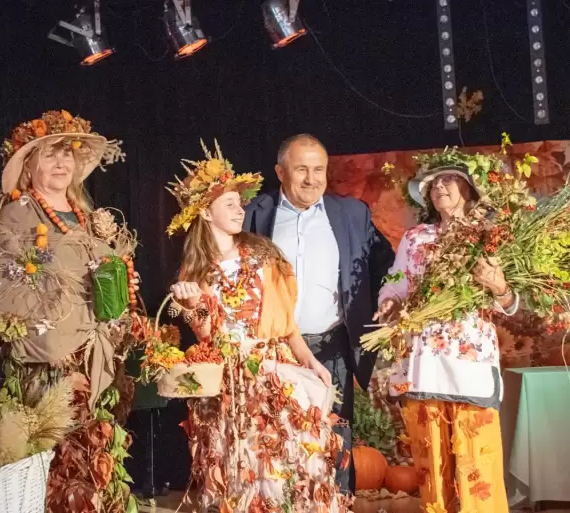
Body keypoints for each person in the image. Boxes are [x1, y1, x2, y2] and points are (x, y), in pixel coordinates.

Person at [0, 110, 140, 512]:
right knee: (57, 473)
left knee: (97, 468)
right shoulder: (18, 214)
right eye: (50, 155)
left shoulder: (88, 216)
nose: (61, 163)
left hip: (94, 362)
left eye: (67, 154)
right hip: (46, 367)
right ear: (29, 166)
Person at [167, 141, 352, 513]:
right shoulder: (195, 272)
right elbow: (208, 338)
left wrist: (309, 361)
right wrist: (192, 306)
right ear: (205, 212)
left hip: (274, 373)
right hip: (230, 383)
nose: (240, 210)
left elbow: (286, 324)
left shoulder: (263, 255)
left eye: (240, 203)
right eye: (229, 204)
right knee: (240, 468)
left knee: (287, 465)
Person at [243, 134, 395, 492]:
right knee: (277, 442)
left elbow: (387, 266)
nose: (311, 179)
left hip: (332, 348)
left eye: (319, 170)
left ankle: (338, 504)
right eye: (301, 170)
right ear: (280, 172)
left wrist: (388, 301)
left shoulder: (352, 214)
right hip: (274, 350)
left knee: (334, 442)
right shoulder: (254, 214)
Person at [374, 163, 516, 512]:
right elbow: (396, 281)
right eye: (433, 184)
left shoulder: (488, 235)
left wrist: (499, 286)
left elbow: (510, 304)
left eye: (448, 180)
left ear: (469, 188)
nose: (438, 187)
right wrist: (389, 301)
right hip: (425, 363)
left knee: (477, 464)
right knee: (432, 464)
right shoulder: (416, 237)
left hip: (470, 363)